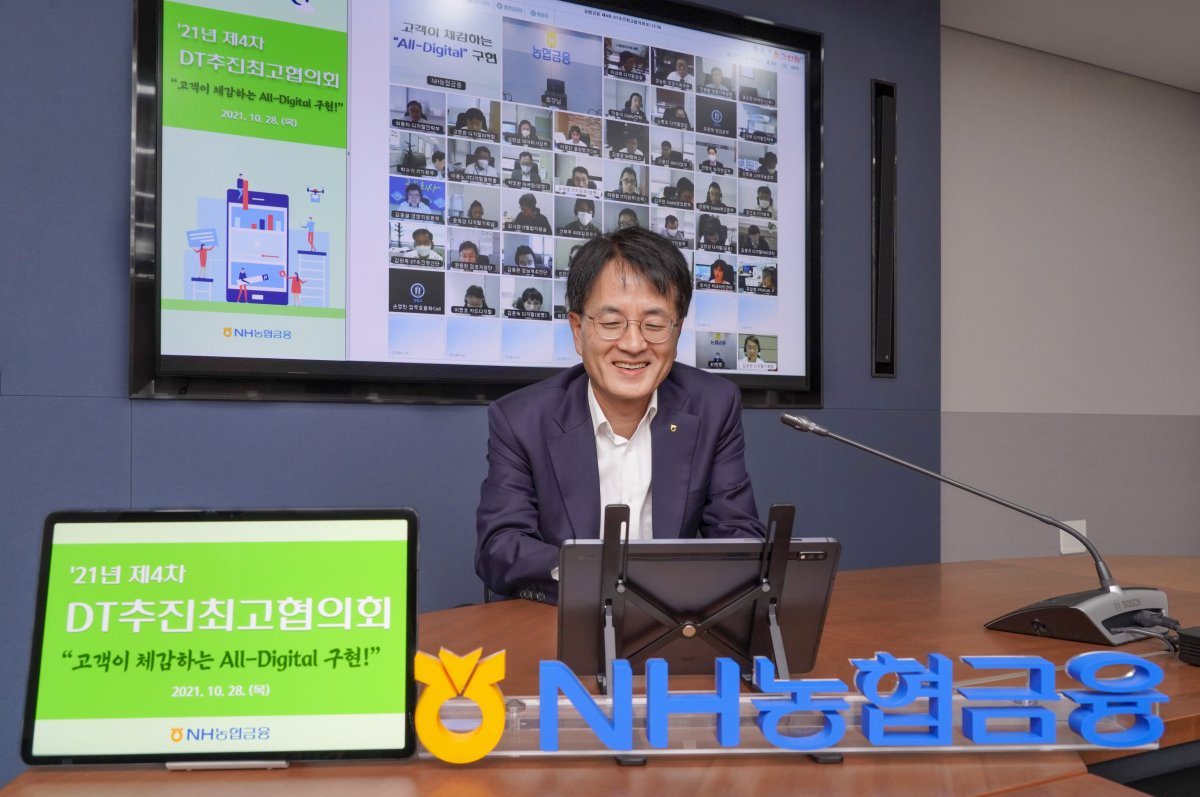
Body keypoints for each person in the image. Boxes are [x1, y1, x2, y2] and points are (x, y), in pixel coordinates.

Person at [475, 226, 765, 602]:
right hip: (562, 616)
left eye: (654, 324)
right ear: (578, 330)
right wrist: (602, 577)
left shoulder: (713, 405)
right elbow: (500, 548)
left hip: (672, 620)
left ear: (677, 331)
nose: (633, 344)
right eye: (612, 323)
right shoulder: (521, 419)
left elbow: (739, 537)